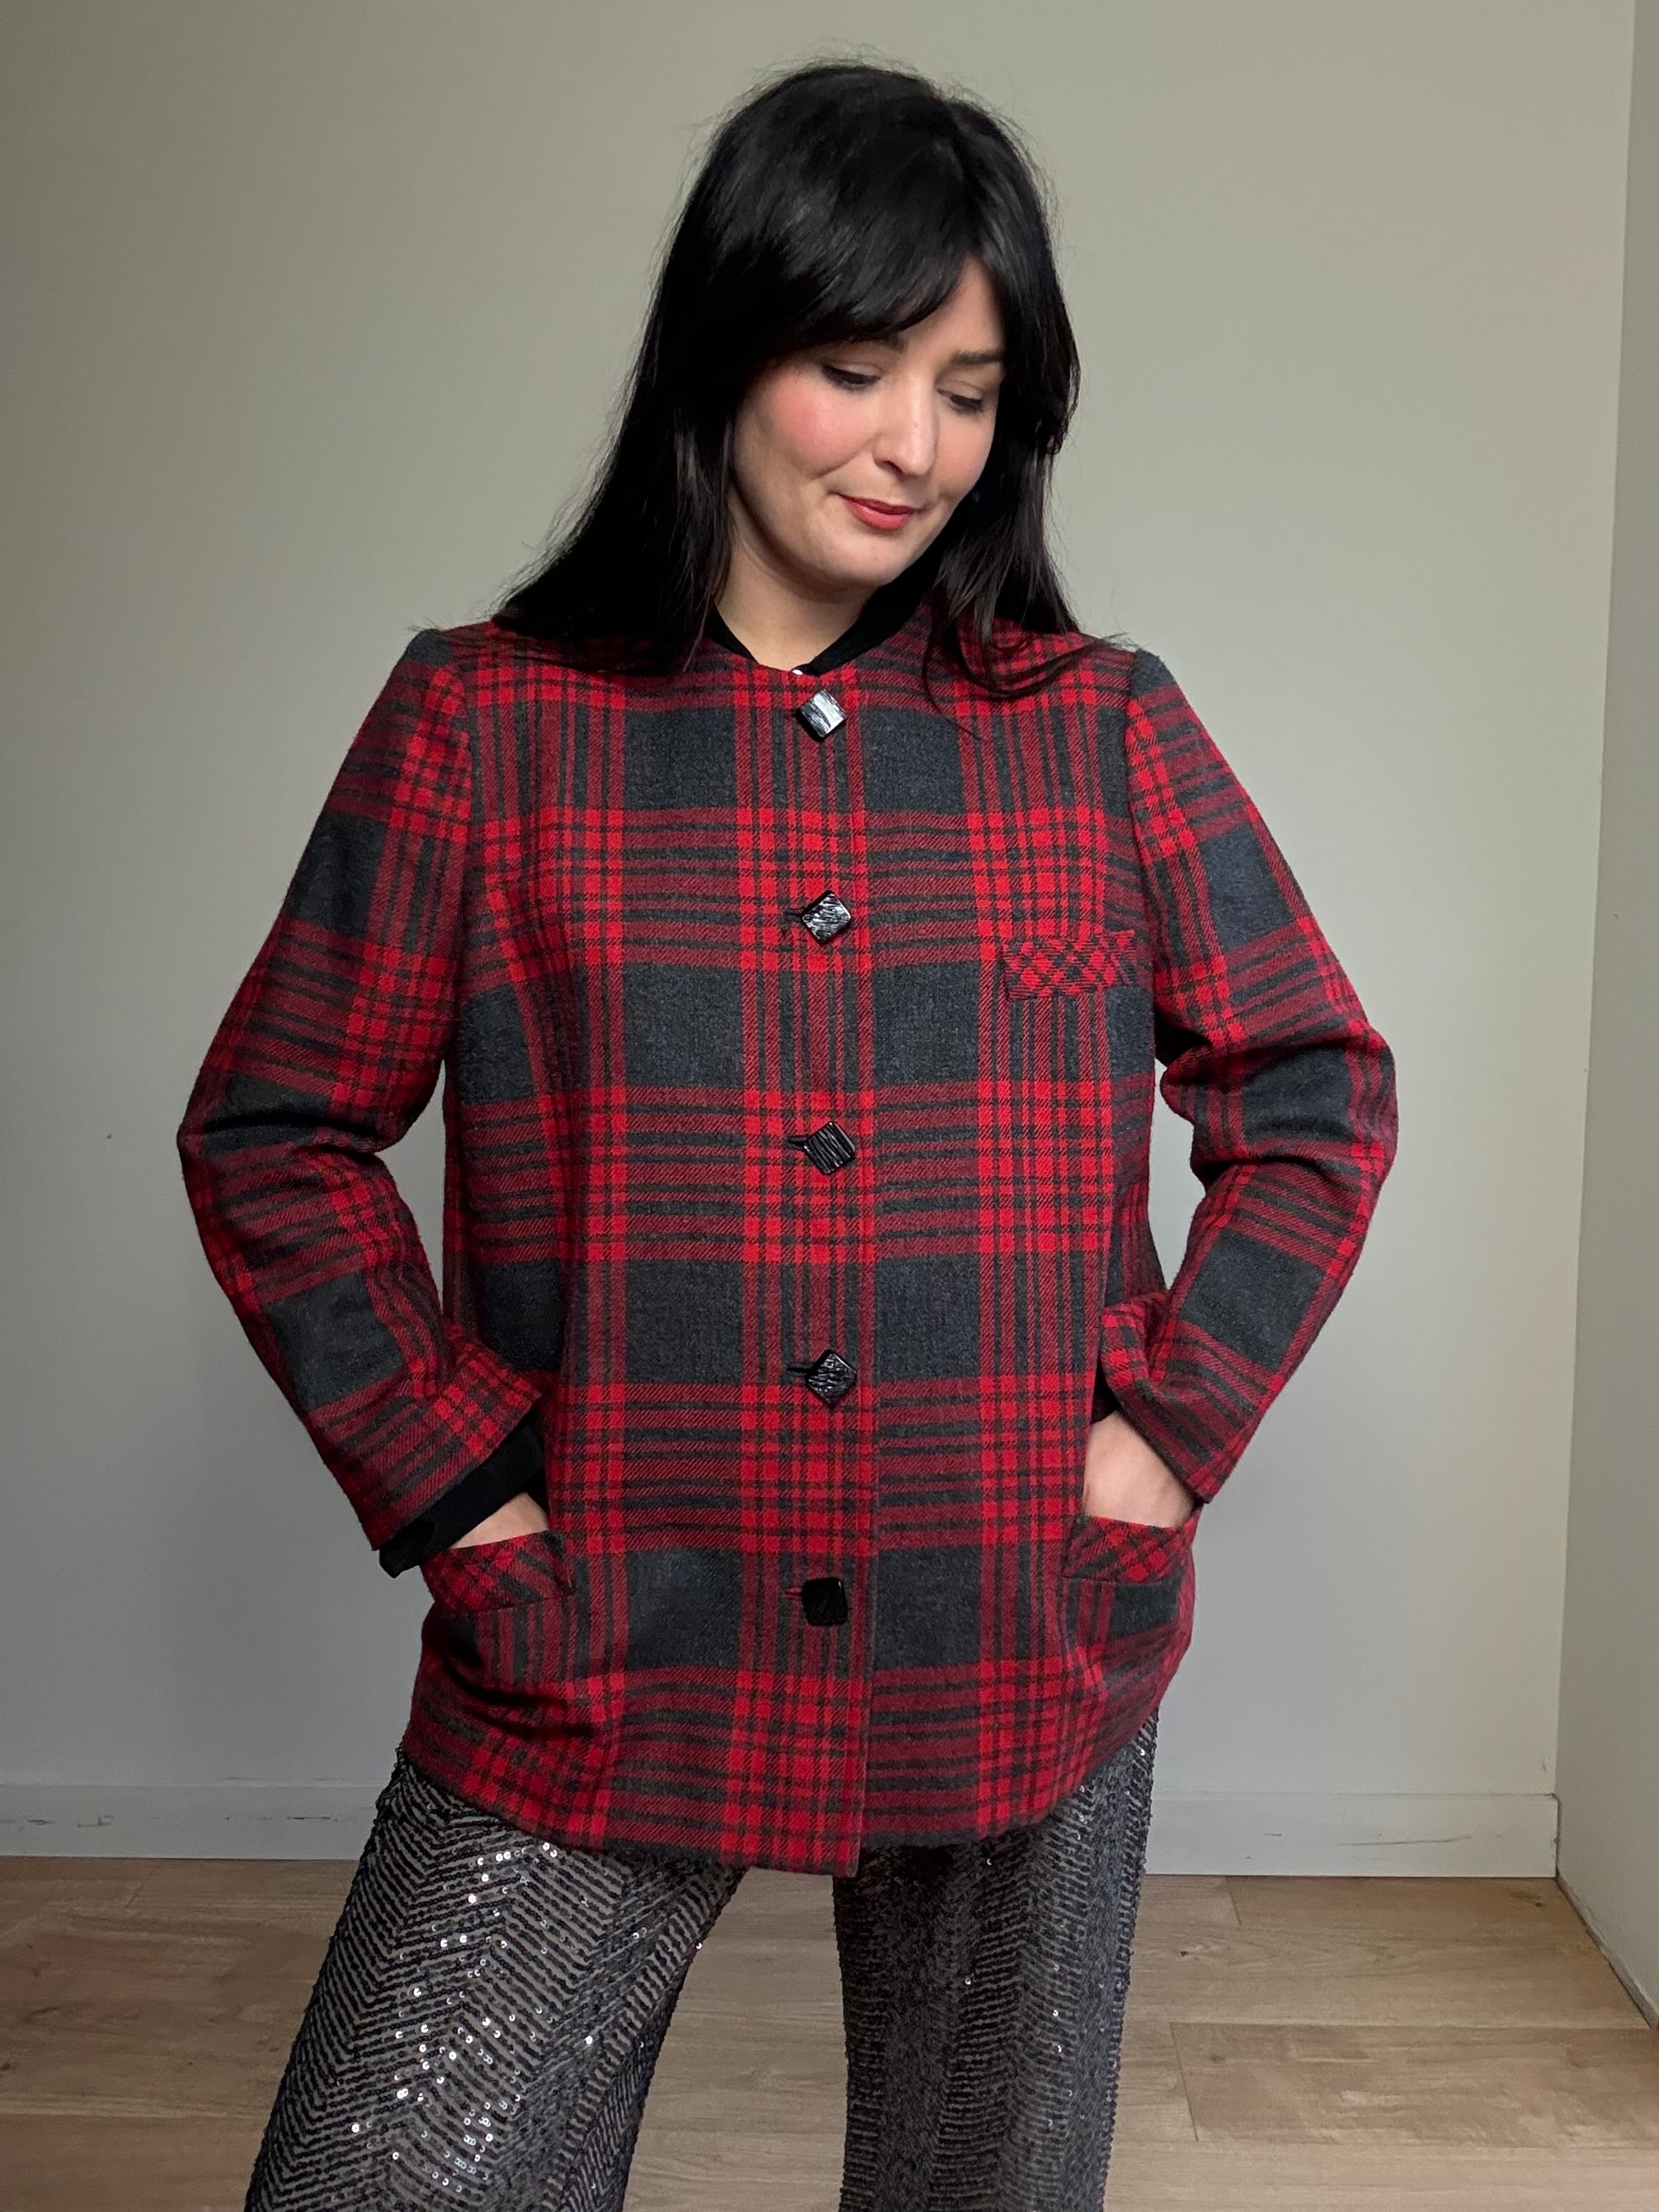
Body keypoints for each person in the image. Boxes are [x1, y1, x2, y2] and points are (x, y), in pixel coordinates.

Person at [176, 56, 1397, 2212]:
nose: (915, 443)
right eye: (857, 368)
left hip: (1013, 1623)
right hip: (608, 1625)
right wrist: (462, 1494)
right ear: (727, 350)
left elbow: (1313, 1090)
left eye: (969, 390)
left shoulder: (1099, 727)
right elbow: (276, 1126)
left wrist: (1163, 1436)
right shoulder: (487, 720)